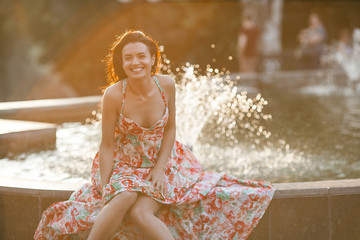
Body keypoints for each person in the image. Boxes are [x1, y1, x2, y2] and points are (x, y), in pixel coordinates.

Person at [34, 30, 275, 240]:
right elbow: (107, 145)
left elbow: (170, 130)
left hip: (165, 162)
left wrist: (159, 170)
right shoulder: (114, 95)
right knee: (124, 196)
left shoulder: (167, 85)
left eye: (141, 56)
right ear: (121, 62)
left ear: (152, 59)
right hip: (125, 163)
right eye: (128, 57)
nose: (135, 62)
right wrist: (106, 184)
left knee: (140, 213)